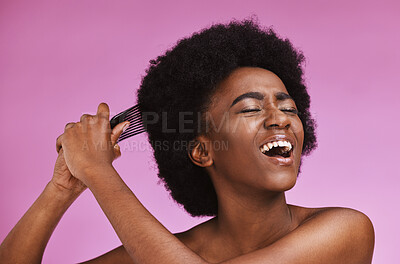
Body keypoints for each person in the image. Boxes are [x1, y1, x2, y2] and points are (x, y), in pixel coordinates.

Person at [0, 18, 374, 264]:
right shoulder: (157, 252)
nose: (280, 120)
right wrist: (61, 188)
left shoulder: (344, 230)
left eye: (289, 108)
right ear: (201, 150)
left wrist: (99, 172)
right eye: (249, 110)